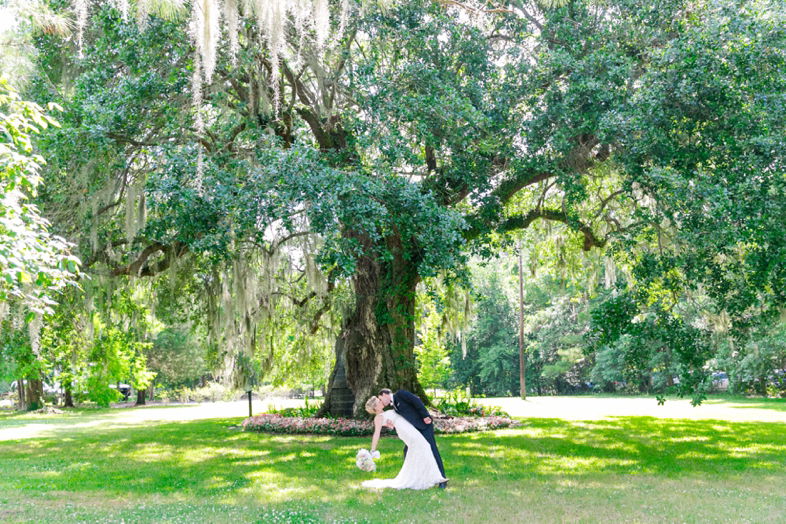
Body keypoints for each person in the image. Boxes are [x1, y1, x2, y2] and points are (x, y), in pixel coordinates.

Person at [362, 395, 448, 490]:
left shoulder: (388, 411)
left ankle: (425, 476)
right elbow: (376, 433)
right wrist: (373, 450)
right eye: (379, 402)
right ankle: (436, 477)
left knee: (422, 447)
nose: (381, 402)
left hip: (408, 427)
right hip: (405, 431)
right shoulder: (378, 418)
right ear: (375, 407)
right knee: (423, 445)